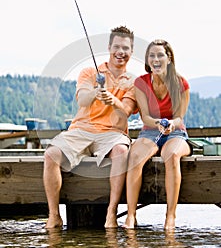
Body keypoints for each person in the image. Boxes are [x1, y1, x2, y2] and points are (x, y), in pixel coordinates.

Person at [43, 26, 137, 229]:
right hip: (81, 130)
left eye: (126, 48)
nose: (121, 52)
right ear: (109, 47)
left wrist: (114, 101)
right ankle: (54, 216)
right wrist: (97, 91)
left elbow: (126, 112)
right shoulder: (89, 72)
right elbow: (82, 101)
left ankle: (111, 213)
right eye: (117, 47)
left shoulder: (133, 82)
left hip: (113, 134)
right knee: (50, 154)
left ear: (132, 51)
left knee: (121, 151)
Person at [124, 39, 191, 230]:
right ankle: (130, 215)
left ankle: (170, 217)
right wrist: (158, 124)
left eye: (160, 55)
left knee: (171, 155)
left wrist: (170, 124)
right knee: (135, 156)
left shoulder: (181, 83)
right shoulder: (141, 83)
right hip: (150, 131)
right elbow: (145, 117)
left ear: (169, 58)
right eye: (151, 55)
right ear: (147, 60)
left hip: (175, 132)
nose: (156, 59)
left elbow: (179, 117)